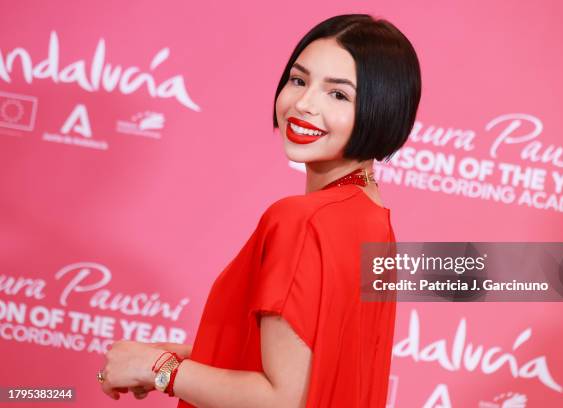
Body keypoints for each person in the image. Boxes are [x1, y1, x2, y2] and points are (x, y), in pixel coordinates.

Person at [97, 13, 421, 408]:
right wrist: (188, 358)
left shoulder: (302, 220)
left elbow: (282, 399)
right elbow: (320, 373)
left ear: (382, 110)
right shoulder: (371, 219)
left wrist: (158, 368)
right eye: (299, 80)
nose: (303, 104)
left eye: (338, 95)